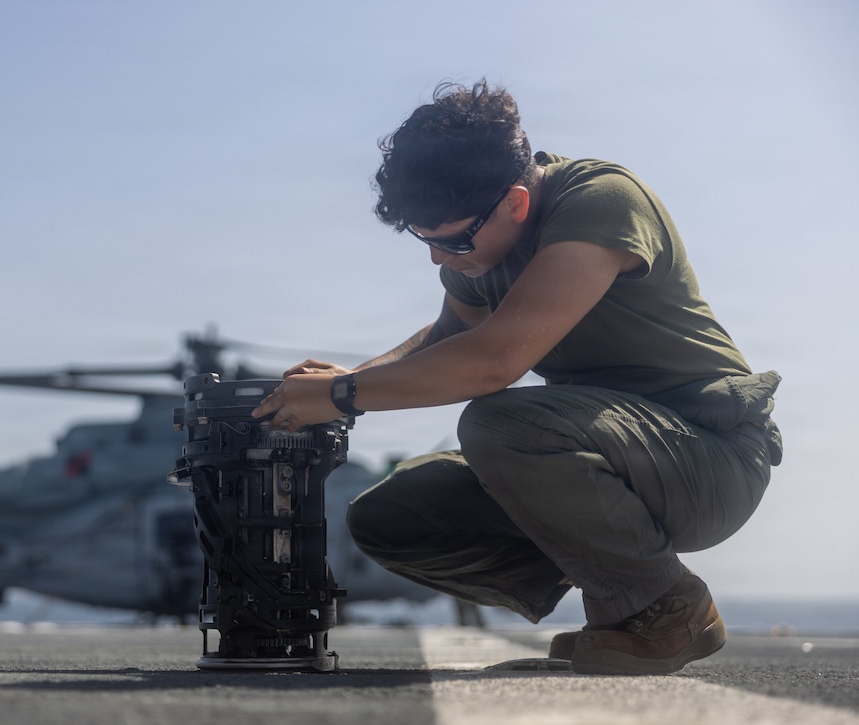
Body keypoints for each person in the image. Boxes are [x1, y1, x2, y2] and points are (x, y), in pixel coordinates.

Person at [251, 79, 782, 675]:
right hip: (616, 458)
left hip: (709, 454)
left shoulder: (601, 199)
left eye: (449, 240)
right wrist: (352, 379)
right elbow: (451, 335)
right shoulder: (483, 252)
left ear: (517, 204)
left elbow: (493, 362)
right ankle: (621, 603)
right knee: (393, 514)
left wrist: (343, 396)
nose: (436, 259)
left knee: (500, 424)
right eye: (422, 240)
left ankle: (664, 605)